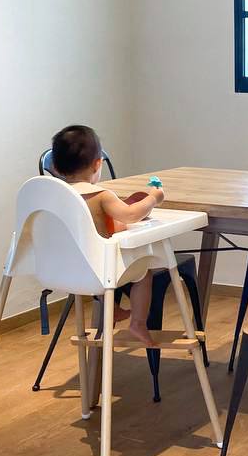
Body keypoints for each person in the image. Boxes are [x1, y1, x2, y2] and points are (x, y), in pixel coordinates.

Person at [49, 124, 164, 345]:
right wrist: (153, 198)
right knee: (144, 273)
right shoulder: (101, 195)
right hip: (99, 269)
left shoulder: (54, 196)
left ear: (55, 167)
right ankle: (138, 323)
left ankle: (113, 309)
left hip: (62, 268)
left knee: (96, 260)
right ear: (97, 164)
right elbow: (131, 215)